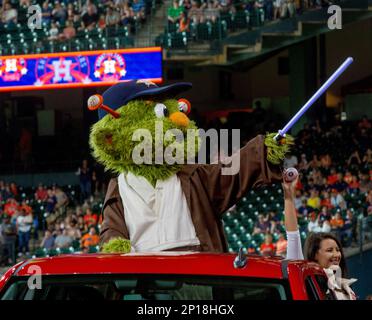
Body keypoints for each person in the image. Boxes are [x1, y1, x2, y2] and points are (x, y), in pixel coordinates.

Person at [282, 174, 357, 300]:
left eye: (337, 250)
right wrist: (288, 196)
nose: (336, 254)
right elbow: (293, 236)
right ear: (315, 254)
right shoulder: (303, 278)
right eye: (329, 250)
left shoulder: (345, 287)